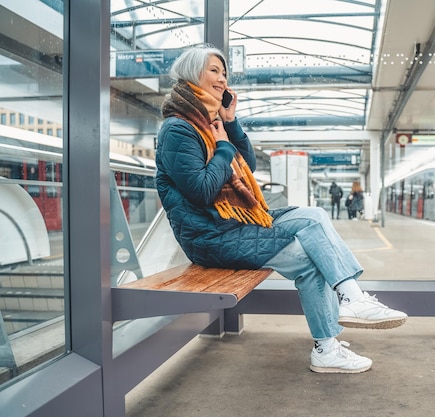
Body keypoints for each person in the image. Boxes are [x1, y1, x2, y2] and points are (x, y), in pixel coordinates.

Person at [155, 45, 407, 374]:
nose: (222, 78)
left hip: (235, 224)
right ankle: (328, 346)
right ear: (192, 74)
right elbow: (202, 191)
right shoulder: (178, 130)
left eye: (224, 72)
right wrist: (222, 148)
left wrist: (231, 125)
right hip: (211, 237)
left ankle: (351, 298)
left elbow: (248, 163)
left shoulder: (211, 123)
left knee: (315, 216)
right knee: (310, 262)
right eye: (214, 70)